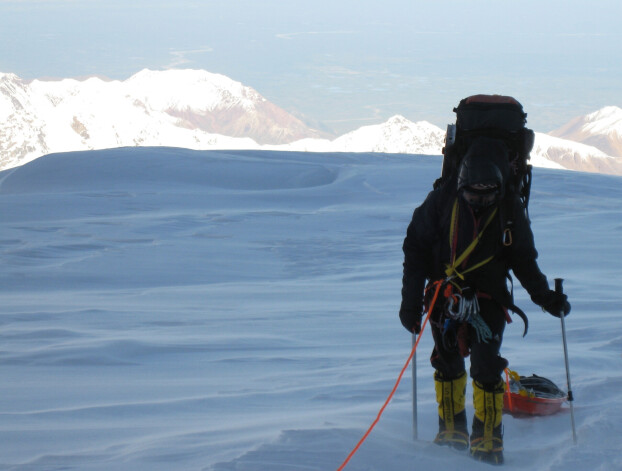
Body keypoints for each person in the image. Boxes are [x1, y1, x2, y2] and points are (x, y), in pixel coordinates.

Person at [399, 136, 570, 465]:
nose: (479, 200)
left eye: (487, 194)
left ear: (499, 187)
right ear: (461, 184)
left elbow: (522, 259)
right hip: (443, 293)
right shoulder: (441, 200)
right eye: (473, 194)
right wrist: (410, 302)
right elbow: (415, 248)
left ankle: (487, 438)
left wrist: (545, 297)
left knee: (486, 364)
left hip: (489, 296)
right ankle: (452, 431)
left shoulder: (509, 207)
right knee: (446, 359)